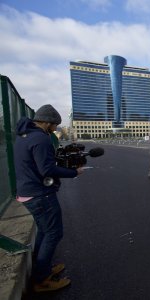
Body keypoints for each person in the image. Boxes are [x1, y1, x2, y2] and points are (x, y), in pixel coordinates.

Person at [13, 104, 84, 292]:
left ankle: (41, 268)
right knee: (54, 233)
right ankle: (42, 280)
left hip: (26, 191)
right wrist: (73, 172)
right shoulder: (40, 138)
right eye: (54, 124)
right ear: (47, 122)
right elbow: (47, 170)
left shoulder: (23, 136)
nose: (55, 128)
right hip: (39, 194)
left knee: (44, 231)